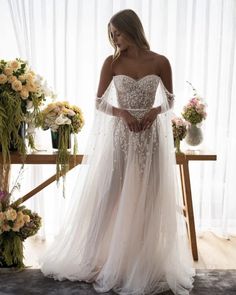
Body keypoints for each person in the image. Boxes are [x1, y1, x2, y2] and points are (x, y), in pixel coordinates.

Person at [40, 9, 195, 295]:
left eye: (118, 32)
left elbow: (171, 100)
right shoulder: (112, 63)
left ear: (131, 29)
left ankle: (139, 262)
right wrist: (122, 113)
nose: (114, 38)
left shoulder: (160, 62)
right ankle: (89, 258)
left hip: (150, 139)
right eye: (111, 34)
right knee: (109, 194)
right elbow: (99, 103)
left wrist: (154, 111)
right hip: (121, 138)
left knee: (149, 196)